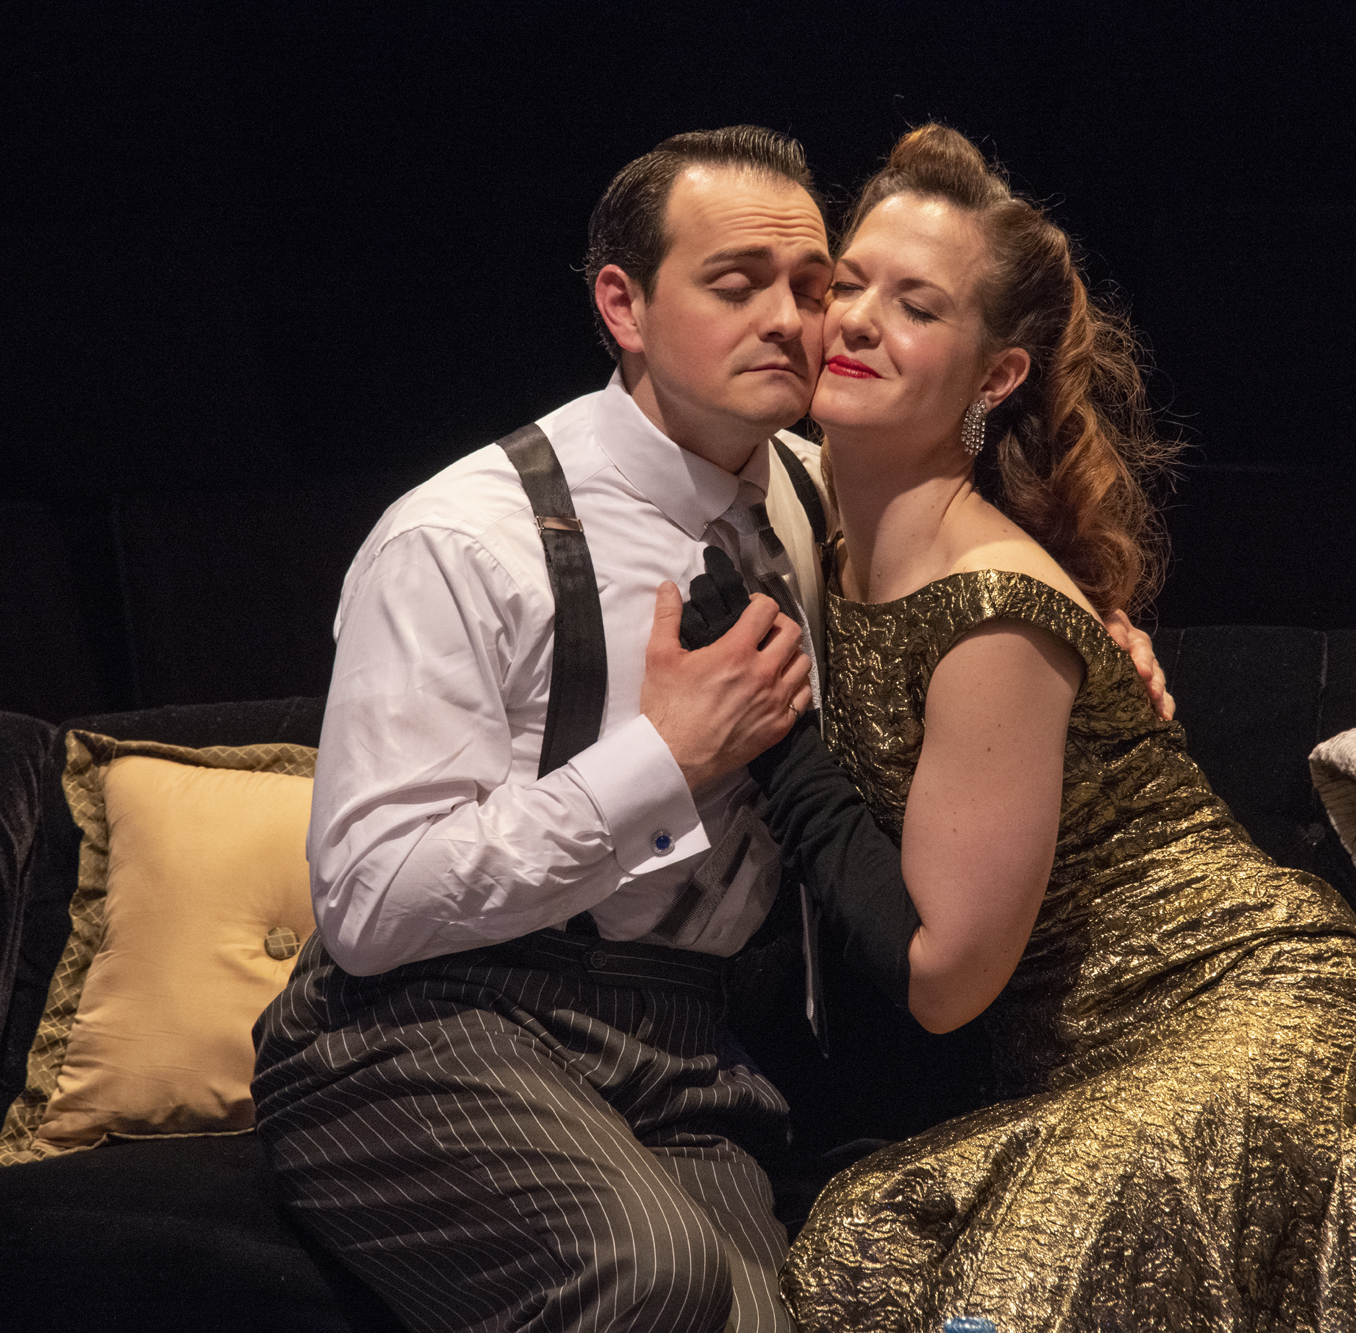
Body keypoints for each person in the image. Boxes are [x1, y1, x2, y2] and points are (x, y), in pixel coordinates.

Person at [249, 124, 1171, 1333]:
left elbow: (973, 554)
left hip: (684, 1043)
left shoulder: (806, 487)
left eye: (812, 285)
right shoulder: (465, 537)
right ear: (623, 306)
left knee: (780, 1307)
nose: (794, 322)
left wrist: (1091, 633)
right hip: (429, 1029)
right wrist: (663, 759)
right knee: (652, 1279)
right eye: (735, 285)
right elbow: (368, 906)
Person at [718, 125, 1356, 1332]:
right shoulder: (804, 505)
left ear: (995, 377)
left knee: (1017, 1285)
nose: (857, 321)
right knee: (857, 1259)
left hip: (1262, 1005)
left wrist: (782, 752)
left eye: (915, 305)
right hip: (1090, 1070)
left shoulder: (991, 609)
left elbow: (941, 983)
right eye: (848, 285)